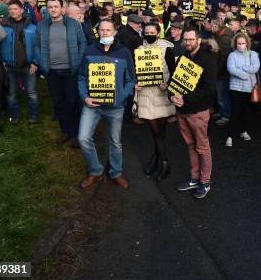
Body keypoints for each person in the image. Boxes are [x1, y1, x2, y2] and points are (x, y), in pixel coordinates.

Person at [77, 19, 135, 190]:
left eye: (108, 30)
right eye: (102, 30)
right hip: (92, 105)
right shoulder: (89, 50)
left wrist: (121, 97)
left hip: (115, 107)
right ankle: (95, 170)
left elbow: (131, 79)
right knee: (83, 138)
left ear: (115, 32)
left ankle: (116, 172)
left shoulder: (124, 52)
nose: (105, 33)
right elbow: (81, 76)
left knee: (115, 141)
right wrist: (85, 97)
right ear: (98, 32)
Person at [171, 27, 218, 199]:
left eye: (191, 39)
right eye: (186, 40)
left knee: (202, 147)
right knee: (190, 146)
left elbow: (209, 89)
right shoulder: (183, 56)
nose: (188, 43)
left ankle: (205, 181)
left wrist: (185, 99)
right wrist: (171, 96)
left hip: (197, 112)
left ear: (198, 40)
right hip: (182, 111)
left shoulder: (208, 58)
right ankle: (194, 178)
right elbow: (174, 80)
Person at [34, 0, 87, 147]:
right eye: (50, 7)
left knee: (73, 102)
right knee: (59, 103)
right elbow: (37, 45)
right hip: (52, 71)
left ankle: (77, 133)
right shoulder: (42, 25)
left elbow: (82, 42)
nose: (53, 9)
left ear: (62, 8)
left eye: (56, 6)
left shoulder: (72, 24)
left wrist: (77, 61)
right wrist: (42, 62)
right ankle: (66, 131)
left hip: (70, 70)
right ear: (47, 8)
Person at [134, 23, 176, 181]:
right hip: (145, 95)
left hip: (162, 95)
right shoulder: (138, 50)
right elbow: (135, 71)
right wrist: (135, 83)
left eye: (152, 32)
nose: (149, 34)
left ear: (158, 33)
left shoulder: (167, 49)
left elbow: (174, 70)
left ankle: (159, 160)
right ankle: (163, 162)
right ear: (143, 33)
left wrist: (168, 83)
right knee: (155, 132)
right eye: (147, 32)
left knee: (160, 132)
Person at [0, 0, 39, 124]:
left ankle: (33, 116)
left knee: (31, 93)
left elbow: (38, 46)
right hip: (10, 67)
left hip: (28, 66)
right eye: (10, 9)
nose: (12, 11)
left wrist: (35, 62)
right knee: (11, 94)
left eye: (15, 9)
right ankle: (14, 116)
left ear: (22, 10)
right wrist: (2, 61)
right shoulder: (3, 26)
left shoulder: (32, 27)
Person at [225, 32, 260, 147]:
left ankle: (243, 131)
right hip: (236, 88)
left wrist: (241, 68)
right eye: (238, 43)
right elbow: (231, 69)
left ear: (247, 43)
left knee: (246, 111)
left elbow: (255, 67)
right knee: (235, 112)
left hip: (249, 88)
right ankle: (229, 135)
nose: (241, 45)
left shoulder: (253, 54)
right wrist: (246, 74)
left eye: (243, 43)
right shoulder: (232, 55)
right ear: (235, 44)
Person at [214, 19, 234, 126]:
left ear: (217, 26)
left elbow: (223, 58)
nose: (211, 27)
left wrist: (217, 72)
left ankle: (226, 115)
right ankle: (221, 112)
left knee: (223, 95)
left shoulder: (225, 38)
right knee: (220, 95)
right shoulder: (220, 36)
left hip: (223, 73)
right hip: (221, 72)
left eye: (213, 25)